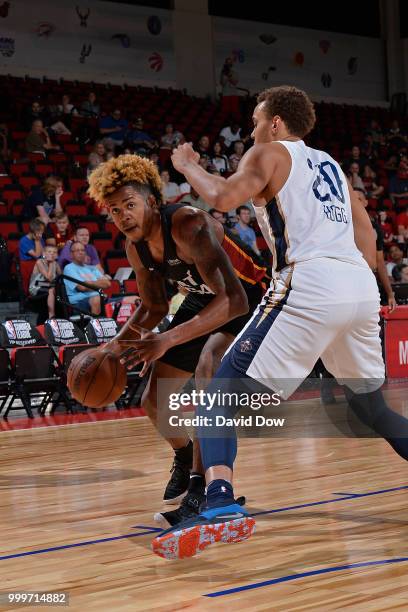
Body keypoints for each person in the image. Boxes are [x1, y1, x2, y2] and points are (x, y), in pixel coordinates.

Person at [151, 85, 408, 560]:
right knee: (372, 410)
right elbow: (367, 232)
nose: (251, 129)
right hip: (358, 285)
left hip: (309, 283)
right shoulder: (331, 164)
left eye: (255, 120)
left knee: (218, 397)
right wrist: (367, 286)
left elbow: (224, 198)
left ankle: (221, 504)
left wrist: (188, 166)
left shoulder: (267, 152)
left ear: (274, 123)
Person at [87, 154, 266, 527]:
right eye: (115, 210)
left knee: (207, 367)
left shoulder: (188, 224)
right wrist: (111, 349)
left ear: (152, 201)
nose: (123, 216)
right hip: (207, 298)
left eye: (130, 205)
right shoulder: (135, 246)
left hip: (252, 295)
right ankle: (185, 454)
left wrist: (166, 340)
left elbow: (234, 300)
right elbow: (153, 306)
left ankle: (202, 488)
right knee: (155, 399)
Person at [354, 188, 396, 311]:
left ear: (366, 203)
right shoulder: (339, 224)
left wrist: (390, 293)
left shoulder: (375, 228)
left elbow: (380, 262)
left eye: (359, 199)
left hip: (367, 283)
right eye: (353, 200)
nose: (356, 203)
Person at [63, 242, 111, 315]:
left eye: (83, 250)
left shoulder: (92, 268)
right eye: (77, 250)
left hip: (100, 298)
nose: (81, 252)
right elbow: (82, 287)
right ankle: (95, 325)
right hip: (79, 303)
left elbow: (107, 283)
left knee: (131, 299)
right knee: (97, 298)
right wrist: (98, 283)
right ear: (71, 254)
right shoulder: (69, 268)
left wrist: (88, 283)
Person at [29, 245, 61, 318]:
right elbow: (48, 277)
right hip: (36, 286)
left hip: (49, 285)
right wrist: (51, 264)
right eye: (49, 252)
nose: (52, 254)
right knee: (51, 289)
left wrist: (55, 264)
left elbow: (61, 276)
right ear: (44, 254)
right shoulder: (39, 262)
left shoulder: (55, 263)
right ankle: (51, 315)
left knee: (59, 289)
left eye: (54, 252)